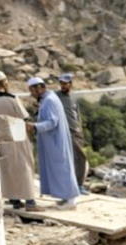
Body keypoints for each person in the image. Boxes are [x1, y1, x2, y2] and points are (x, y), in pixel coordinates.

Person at [0, 72, 37, 209]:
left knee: (7, 169)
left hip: (0, 140)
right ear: (5, 82)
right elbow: (24, 117)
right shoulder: (13, 99)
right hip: (18, 138)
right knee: (24, 167)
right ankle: (30, 201)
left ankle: (15, 200)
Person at [25, 77, 79, 209]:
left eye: (32, 90)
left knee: (62, 169)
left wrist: (35, 126)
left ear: (39, 88)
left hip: (55, 141)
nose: (31, 94)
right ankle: (65, 197)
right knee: (58, 169)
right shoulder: (48, 99)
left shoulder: (49, 100)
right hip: (52, 141)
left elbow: (52, 122)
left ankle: (70, 201)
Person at [56, 73, 87, 189]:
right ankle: (71, 185)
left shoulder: (74, 98)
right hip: (64, 131)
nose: (63, 86)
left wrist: (80, 130)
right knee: (66, 159)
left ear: (70, 84)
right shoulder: (55, 96)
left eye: (65, 83)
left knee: (80, 158)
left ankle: (79, 185)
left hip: (76, 132)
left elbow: (77, 115)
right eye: (61, 83)